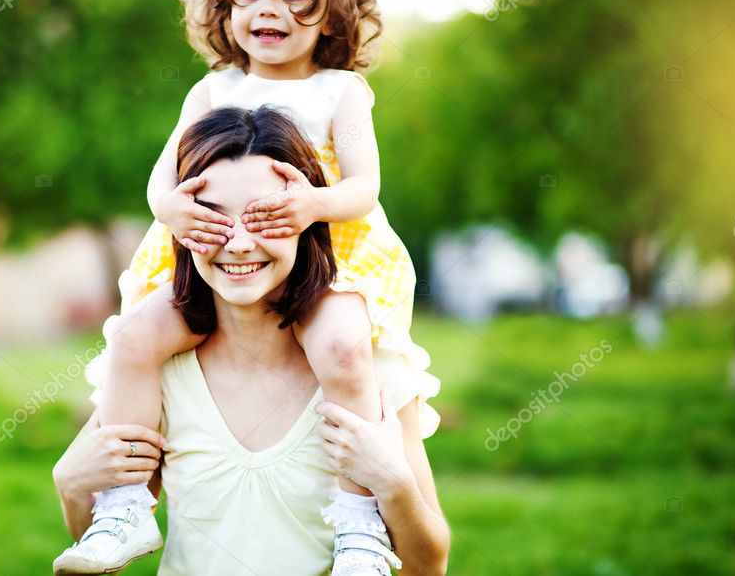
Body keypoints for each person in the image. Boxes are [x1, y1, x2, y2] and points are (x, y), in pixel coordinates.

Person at [53, 0, 442, 574]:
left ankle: (358, 529)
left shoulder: (338, 91)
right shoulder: (212, 89)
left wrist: (312, 204)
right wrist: (172, 206)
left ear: (330, 16)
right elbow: (163, 176)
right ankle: (121, 510)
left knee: (345, 350)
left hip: (324, 258)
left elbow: (364, 185)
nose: (271, 12)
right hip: (215, 253)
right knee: (135, 338)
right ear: (225, 7)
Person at [53, 106, 449, 575]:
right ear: (180, 231)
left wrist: (394, 486)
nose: (238, 243)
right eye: (212, 220)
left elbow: (427, 566)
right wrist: (71, 488)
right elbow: (105, 555)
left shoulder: (366, 372)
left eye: (266, 218)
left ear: (308, 225)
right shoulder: (155, 370)